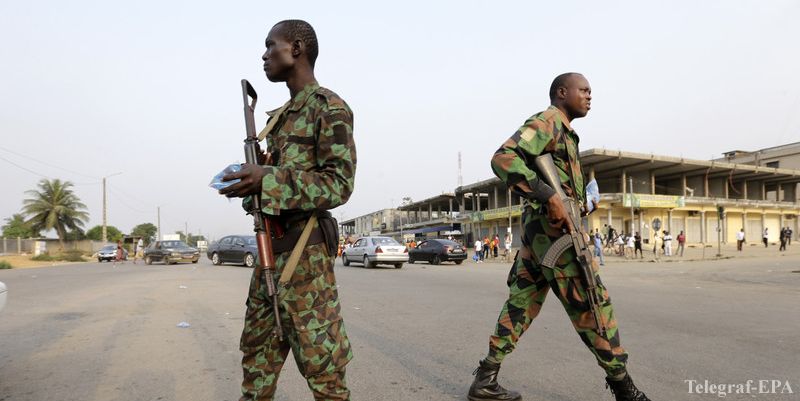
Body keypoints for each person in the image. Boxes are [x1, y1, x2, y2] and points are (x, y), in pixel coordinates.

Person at [468, 73, 650, 401]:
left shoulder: (565, 132)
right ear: (562, 92)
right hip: (555, 237)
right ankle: (626, 390)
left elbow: (561, 189)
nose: (589, 96)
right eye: (584, 90)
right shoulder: (549, 121)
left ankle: (485, 377)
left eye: (591, 91)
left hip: (543, 237)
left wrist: (577, 204)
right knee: (593, 304)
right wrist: (548, 196)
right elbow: (503, 158)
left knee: (521, 304)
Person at [219, 20, 357, 401]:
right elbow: (271, 193)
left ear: (296, 48)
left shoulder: (329, 108)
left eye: (271, 46)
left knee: (326, 375)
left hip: (305, 263)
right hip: (267, 259)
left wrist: (268, 178)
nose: (264, 55)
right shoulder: (277, 120)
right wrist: (249, 185)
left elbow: (338, 184)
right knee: (256, 365)